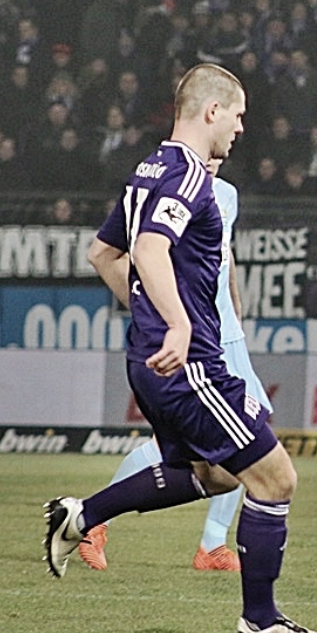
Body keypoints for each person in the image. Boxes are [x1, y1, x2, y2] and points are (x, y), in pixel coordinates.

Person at [42, 63, 317, 633]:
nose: (242, 128)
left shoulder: (147, 171)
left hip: (160, 360)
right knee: (276, 480)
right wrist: (175, 325)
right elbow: (148, 248)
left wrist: (150, 316)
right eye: (239, 114)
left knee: (217, 473)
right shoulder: (188, 175)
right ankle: (262, 622)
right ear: (210, 112)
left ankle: (81, 516)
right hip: (192, 362)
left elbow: (102, 252)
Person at [76, 155, 273, 573]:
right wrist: (154, 314)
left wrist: (235, 312)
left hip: (225, 337)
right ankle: (94, 520)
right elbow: (134, 255)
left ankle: (212, 545)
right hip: (190, 339)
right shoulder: (167, 188)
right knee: (184, 448)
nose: (217, 159)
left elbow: (224, 254)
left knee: (246, 444)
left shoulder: (227, 195)